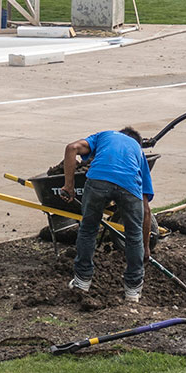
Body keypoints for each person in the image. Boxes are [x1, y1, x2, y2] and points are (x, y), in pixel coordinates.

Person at [60, 127, 154, 303]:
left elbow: (71, 148)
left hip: (98, 181)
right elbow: (146, 209)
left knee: (88, 230)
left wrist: (69, 186)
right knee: (133, 237)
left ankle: (82, 282)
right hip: (129, 186)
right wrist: (146, 247)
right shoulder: (139, 154)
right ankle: (132, 292)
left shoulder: (105, 136)